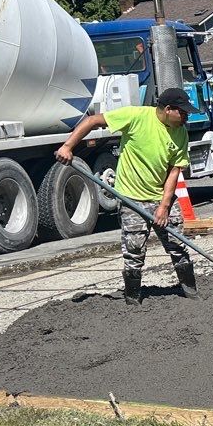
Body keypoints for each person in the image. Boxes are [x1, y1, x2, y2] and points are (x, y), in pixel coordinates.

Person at [55, 88, 195, 303]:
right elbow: (93, 121)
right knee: (134, 251)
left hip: (160, 196)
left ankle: (191, 292)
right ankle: (132, 299)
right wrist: (68, 146)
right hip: (132, 199)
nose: (186, 117)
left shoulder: (180, 132)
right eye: (183, 113)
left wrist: (164, 206)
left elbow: (174, 170)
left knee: (178, 245)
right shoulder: (136, 117)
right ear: (168, 109)